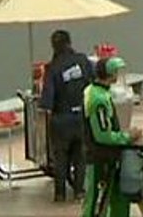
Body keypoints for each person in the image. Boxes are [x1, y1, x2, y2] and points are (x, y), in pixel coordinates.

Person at [82, 56, 143, 217]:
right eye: (115, 71)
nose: (117, 75)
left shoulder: (97, 91)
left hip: (109, 156)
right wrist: (127, 137)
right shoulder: (98, 100)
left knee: (119, 198)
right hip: (99, 158)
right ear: (109, 74)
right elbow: (103, 135)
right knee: (95, 202)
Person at [40, 30, 92, 202]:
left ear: (53, 46)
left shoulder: (52, 68)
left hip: (61, 121)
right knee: (80, 156)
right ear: (70, 42)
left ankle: (60, 194)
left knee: (60, 158)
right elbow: (93, 83)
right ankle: (79, 192)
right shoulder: (83, 60)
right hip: (81, 117)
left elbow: (47, 101)